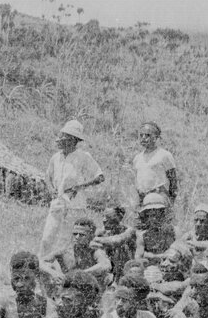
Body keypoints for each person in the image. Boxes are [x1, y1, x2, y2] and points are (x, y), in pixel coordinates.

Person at [40, 119, 104, 261]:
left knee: (66, 241)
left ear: (73, 140)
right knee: (47, 238)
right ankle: (42, 266)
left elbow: (100, 177)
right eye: (61, 136)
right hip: (58, 203)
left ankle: (63, 271)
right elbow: (47, 176)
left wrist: (79, 187)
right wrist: (51, 190)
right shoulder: (56, 157)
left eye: (65, 137)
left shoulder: (83, 157)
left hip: (75, 204)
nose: (60, 140)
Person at [41, 217, 112, 290]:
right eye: (75, 234)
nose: (77, 237)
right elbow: (40, 262)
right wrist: (53, 273)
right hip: (69, 288)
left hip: (89, 289)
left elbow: (106, 265)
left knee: (107, 277)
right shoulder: (65, 250)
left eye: (82, 235)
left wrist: (79, 274)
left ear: (91, 236)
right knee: (47, 268)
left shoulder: (95, 250)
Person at [132, 122, 178, 212]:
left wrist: (171, 202)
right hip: (143, 199)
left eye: (147, 135)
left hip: (159, 198)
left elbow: (173, 180)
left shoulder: (164, 155)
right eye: (141, 135)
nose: (144, 138)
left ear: (156, 137)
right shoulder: (137, 158)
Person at [92, 206, 136, 282]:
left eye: (108, 216)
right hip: (110, 272)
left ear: (119, 217)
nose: (104, 220)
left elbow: (117, 241)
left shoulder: (129, 231)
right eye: (103, 216)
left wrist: (96, 239)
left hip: (127, 271)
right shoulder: (102, 232)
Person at [134, 192, 176, 268]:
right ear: (146, 217)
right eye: (151, 215)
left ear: (163, 215)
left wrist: (149, 256)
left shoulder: (173, 232)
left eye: (157, 215)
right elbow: (138, 258)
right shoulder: (142, 236)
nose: (154, 219)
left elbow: (176, 253)